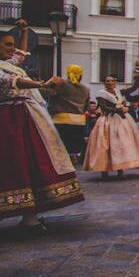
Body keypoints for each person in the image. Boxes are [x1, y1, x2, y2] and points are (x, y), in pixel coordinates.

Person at [0, 33, 84, 234]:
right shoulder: (4, 70)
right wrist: (41, 84)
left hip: (26, 119)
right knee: (16, 164)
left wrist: (25, 31)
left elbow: (20, 54)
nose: (12, 48)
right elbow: (13, 81)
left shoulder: (9, 63)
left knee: (31, 163)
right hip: (10, 120)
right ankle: (27, 216)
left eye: (12, 44)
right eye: (7, 45)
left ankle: (30, 216)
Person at [83, 74, 139, 178]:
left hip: (121, 120)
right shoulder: (101, 94)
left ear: (115, 82)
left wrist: (138, 78)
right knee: (106, 144)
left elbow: (132, 88)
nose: (110, 83)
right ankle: (104, 170)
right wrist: (119, 109)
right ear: (105, 83)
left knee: (120, 144)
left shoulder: (119, 92)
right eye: (107, 81)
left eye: (112, 81)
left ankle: (120, 169)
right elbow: (104, 107)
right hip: (108, 120)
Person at [43, 64, 91, 165]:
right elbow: (87, 107)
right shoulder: (86, 89)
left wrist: (47, 83)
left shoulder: (62, 84)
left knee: (59, 149)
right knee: (73, 150)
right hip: (79, 122)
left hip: (61, 120)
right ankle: (73, 166)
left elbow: (45, 93)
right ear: (81, 75)